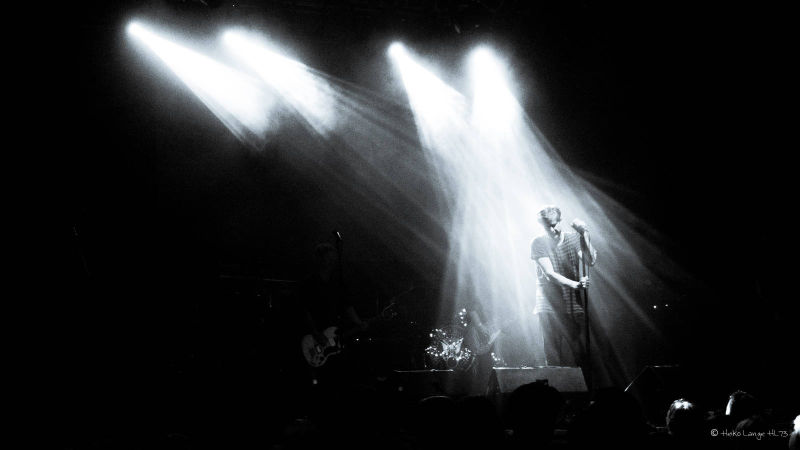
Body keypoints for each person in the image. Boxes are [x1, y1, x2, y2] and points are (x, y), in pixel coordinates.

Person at [531, 205, 597, 368]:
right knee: (554, 358)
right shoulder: (538, 242)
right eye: (547, 227)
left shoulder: (573, 239)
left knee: (581, 355)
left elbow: (590, 261)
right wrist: (576, 284)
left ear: (560, 220)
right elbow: (550, 274)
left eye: (554, 225)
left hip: (573, 305)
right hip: (549, 307)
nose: (552, 230)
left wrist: (585, 233)